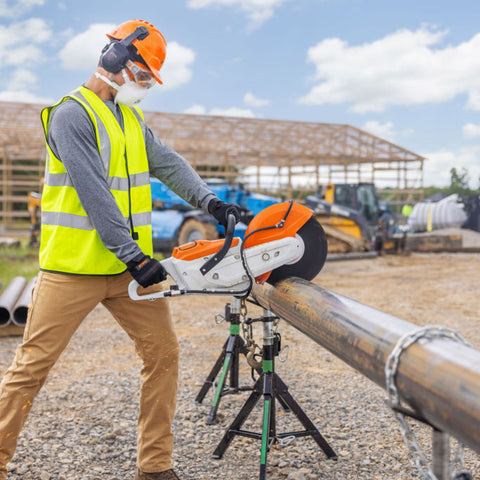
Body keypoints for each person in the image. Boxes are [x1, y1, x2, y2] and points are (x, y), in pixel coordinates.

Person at [0, 19, 240, 480]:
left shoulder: (130, 117)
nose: (146, 86)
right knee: (31, 368)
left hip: (130, 271)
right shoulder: (72, 114)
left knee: (163, 354)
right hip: (73, 270)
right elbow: (94, 194)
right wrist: (134, 256)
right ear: (114, 60)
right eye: (144, 75)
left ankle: (154, 466)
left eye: (149, 78)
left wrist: (210, 201)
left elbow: (167, 162)